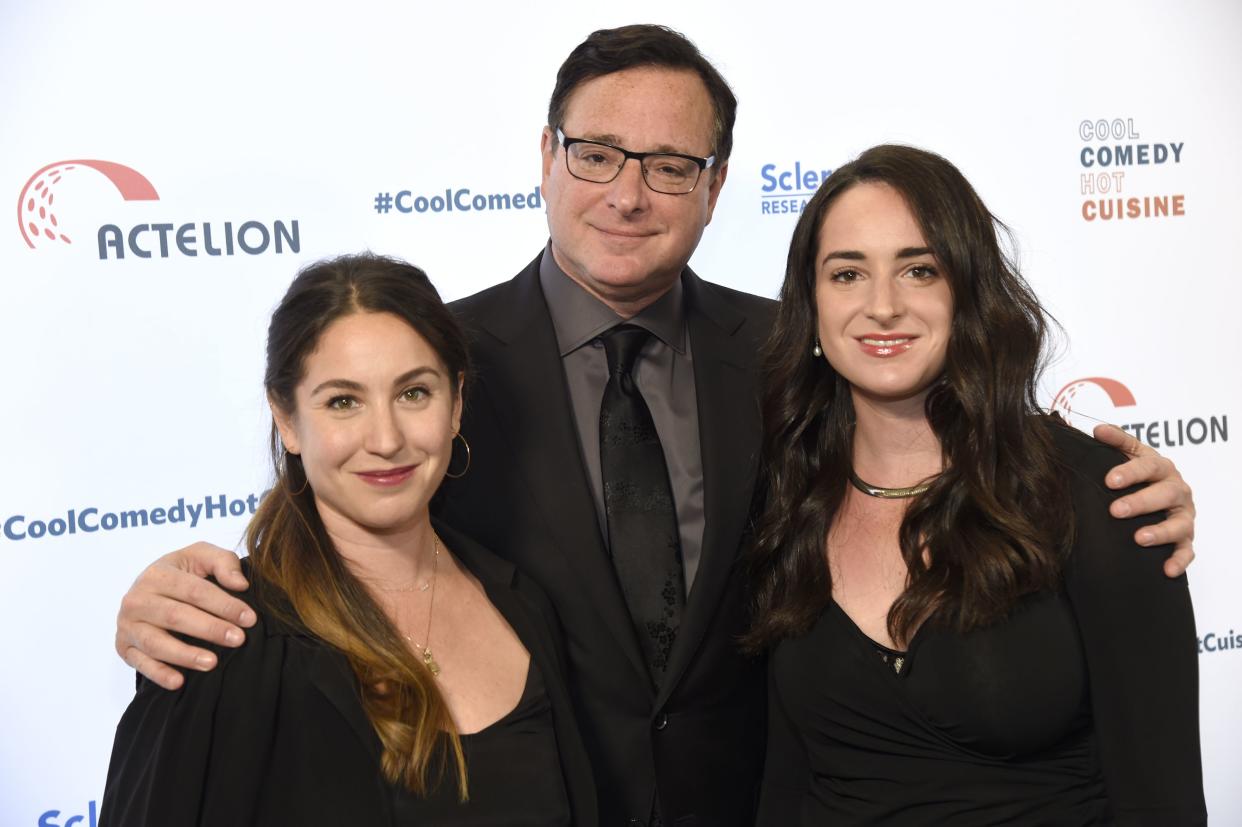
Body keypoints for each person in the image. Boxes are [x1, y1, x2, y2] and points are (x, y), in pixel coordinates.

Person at [110, 27, 1198, 827]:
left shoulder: (793, 361)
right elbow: (343, 504)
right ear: (546, 157)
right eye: (598, 153)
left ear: (718, 185)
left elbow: (950, 451)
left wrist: (1124, 485)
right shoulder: (445, 368)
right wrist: (176, 592)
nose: (630, 193)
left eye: (672, 164)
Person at [748, 145, 1205, 825]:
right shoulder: (786, 497)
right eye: (847, 273)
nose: (882, 305)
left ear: (967, 290)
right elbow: (784, 789)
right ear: (811, 305)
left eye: (919, 269)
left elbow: (1160, 796)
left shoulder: (1092, 494)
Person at [101, 255, 596, 826]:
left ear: (456, 404)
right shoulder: (224, 639)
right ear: (286, 419)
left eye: (414, 393)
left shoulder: (523, 602)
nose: (385, 438)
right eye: (343, 401)